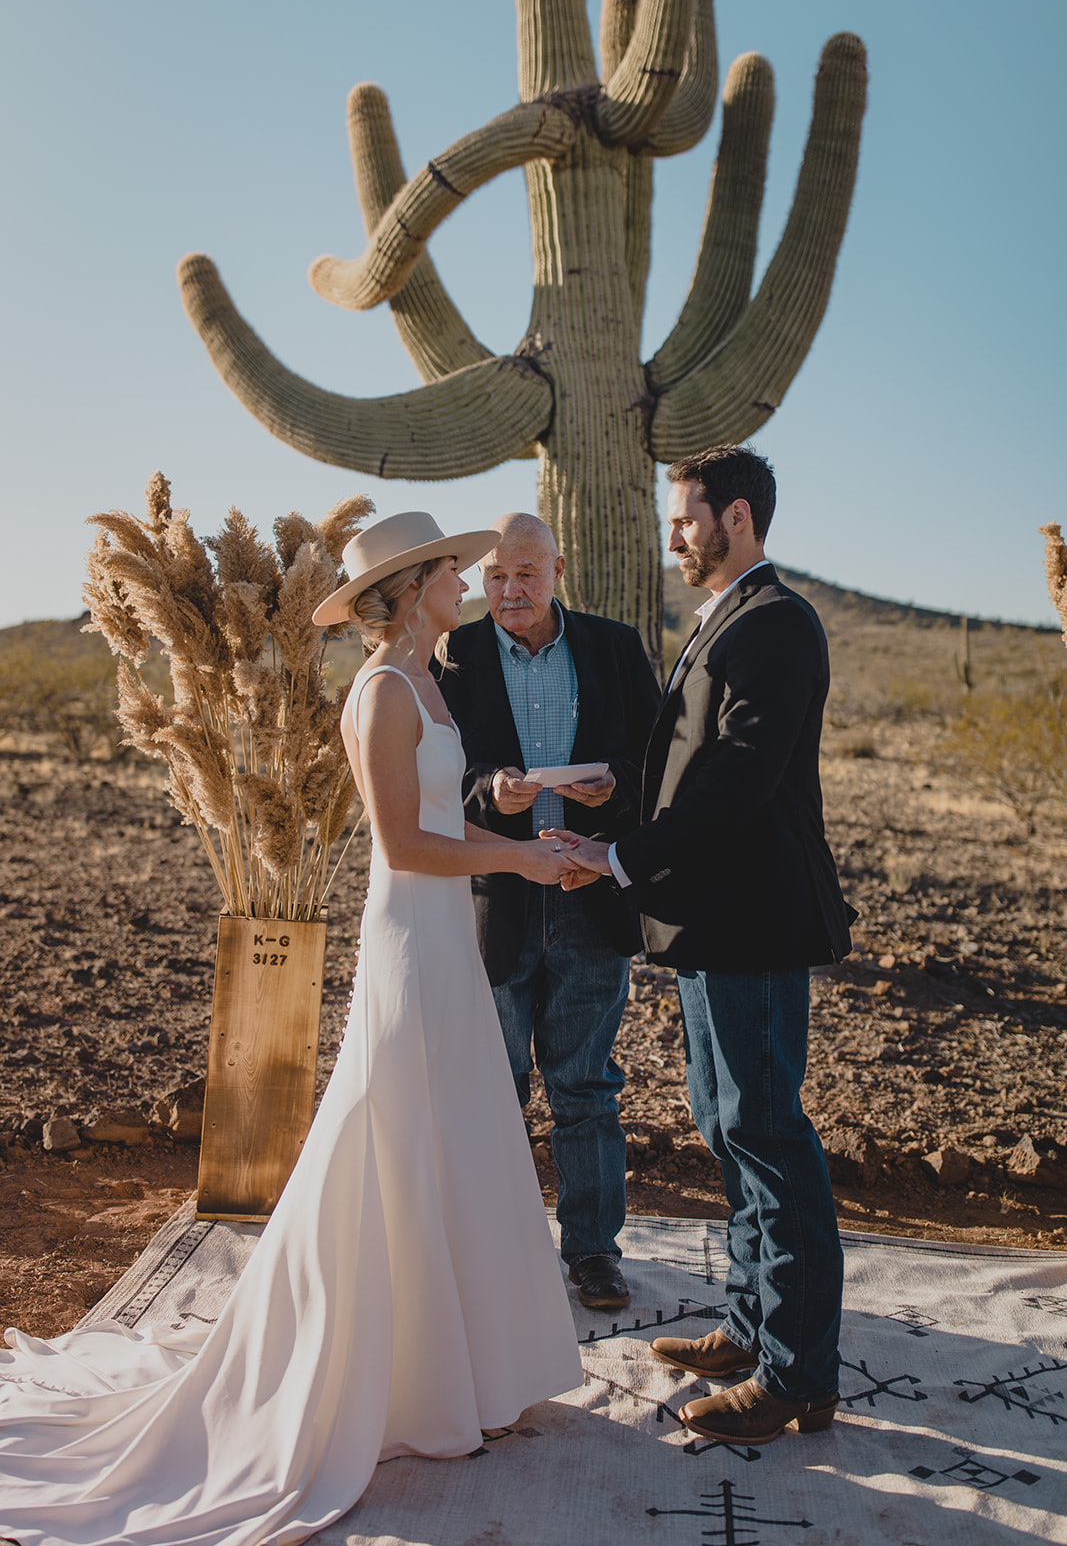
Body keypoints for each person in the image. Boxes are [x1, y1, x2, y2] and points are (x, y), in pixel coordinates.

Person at [0, 511, 582, 1546]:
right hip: (412, 936)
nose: (469, 579)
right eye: (452, 570)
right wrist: (522, 861)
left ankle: (466, 1376)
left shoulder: (436, 678)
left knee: (451, 1138)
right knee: (393, 1136)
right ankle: (395, 1383)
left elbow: (450, 818)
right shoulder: (380, 693)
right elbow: (405, 848)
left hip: (449, 937)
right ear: (410, 592)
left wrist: (529, 830)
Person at [548, 447, 856, 1446]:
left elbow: (737, 779)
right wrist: (614, 796)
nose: (672, 533)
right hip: (708, 922)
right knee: (730, 1130)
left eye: (684, 517)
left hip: (752, 921)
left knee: (767, 1133)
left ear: (735, 515)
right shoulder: (722, 617)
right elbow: (685, 763)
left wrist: (620, 857)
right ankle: (754, 1325)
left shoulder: (776, 622)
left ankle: (795, 1375)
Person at [435, 513, 659, 1311]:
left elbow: (657, 763)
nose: (508, 590)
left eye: (524, 572)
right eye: (494, 576)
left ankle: (592, 1254)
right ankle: (491, 1246)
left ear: (557, 570)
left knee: (585, 1087)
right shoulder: (451, 653)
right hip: (495, 898)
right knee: (492, 1085)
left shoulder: (613, 647)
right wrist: (490, 789)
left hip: (586, 896)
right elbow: (434, 778)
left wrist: (614, 790)